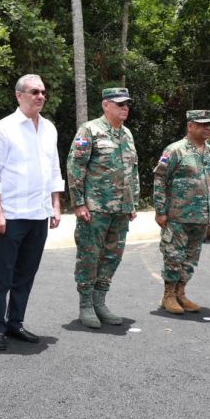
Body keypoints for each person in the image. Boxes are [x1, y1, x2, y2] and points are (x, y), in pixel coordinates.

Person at [0, 74, 63, 350]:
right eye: (34, 92)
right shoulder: (3, 129)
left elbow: (54, 168)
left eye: (43, 91)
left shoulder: (49, 129)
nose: (40, 96)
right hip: (13, 213)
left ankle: (15, 322)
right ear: (19, 96)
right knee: (2, 275)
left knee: (26, 274)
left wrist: (56, 204)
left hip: (39, 214)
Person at [66, 88, 139, 328]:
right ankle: (85, 304)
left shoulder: (126, 134)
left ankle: (100, 301)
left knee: (112, 257)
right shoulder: (90, 130)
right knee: (89, 256)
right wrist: (78, 202)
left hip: (121, 209)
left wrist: (133, 201)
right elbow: (76, 166)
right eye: (119, 104)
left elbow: (133, 170)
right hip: (95, 208)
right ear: (106, 105)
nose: (125, 108)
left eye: (127, 104)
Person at [153, 110, 210, 314]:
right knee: (173, 257)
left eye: (209, 125)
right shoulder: (175, 150)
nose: (207, 128)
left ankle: (181, 293)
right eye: (202, 125)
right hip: (177, 215)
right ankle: (168, 296)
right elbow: (160, 179)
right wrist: (160, 210)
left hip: (200, 217)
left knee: (191, 259)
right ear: (190, 126)